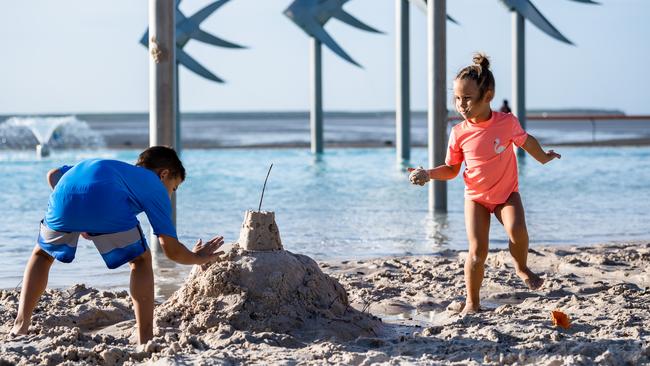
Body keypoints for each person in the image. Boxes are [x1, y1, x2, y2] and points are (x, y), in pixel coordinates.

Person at [11, 146, 224, 344]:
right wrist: (198, 258)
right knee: (140, 260)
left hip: (64, 195)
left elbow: (53, 175)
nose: (170, 193)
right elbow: (170, 249)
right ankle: (145, 338)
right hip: (106, 203)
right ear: (164, 174)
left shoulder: (119, 170)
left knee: (42, 255)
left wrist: (83, 217)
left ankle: (20, 325)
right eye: (174, 188)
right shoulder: (154, 185)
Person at [408, 53, 560, 314]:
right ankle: (472, 303)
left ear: (487, 96)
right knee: (477, 252)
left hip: (506, 195)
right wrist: (429, 173)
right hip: (476, 198)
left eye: (467, 98)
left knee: (518, 231)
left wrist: (543, 157)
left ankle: (521, 267)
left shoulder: (506, 123)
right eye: (457, 98)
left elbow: (527, 141)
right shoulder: (459, 133)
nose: (461, 104)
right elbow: (453, 169)